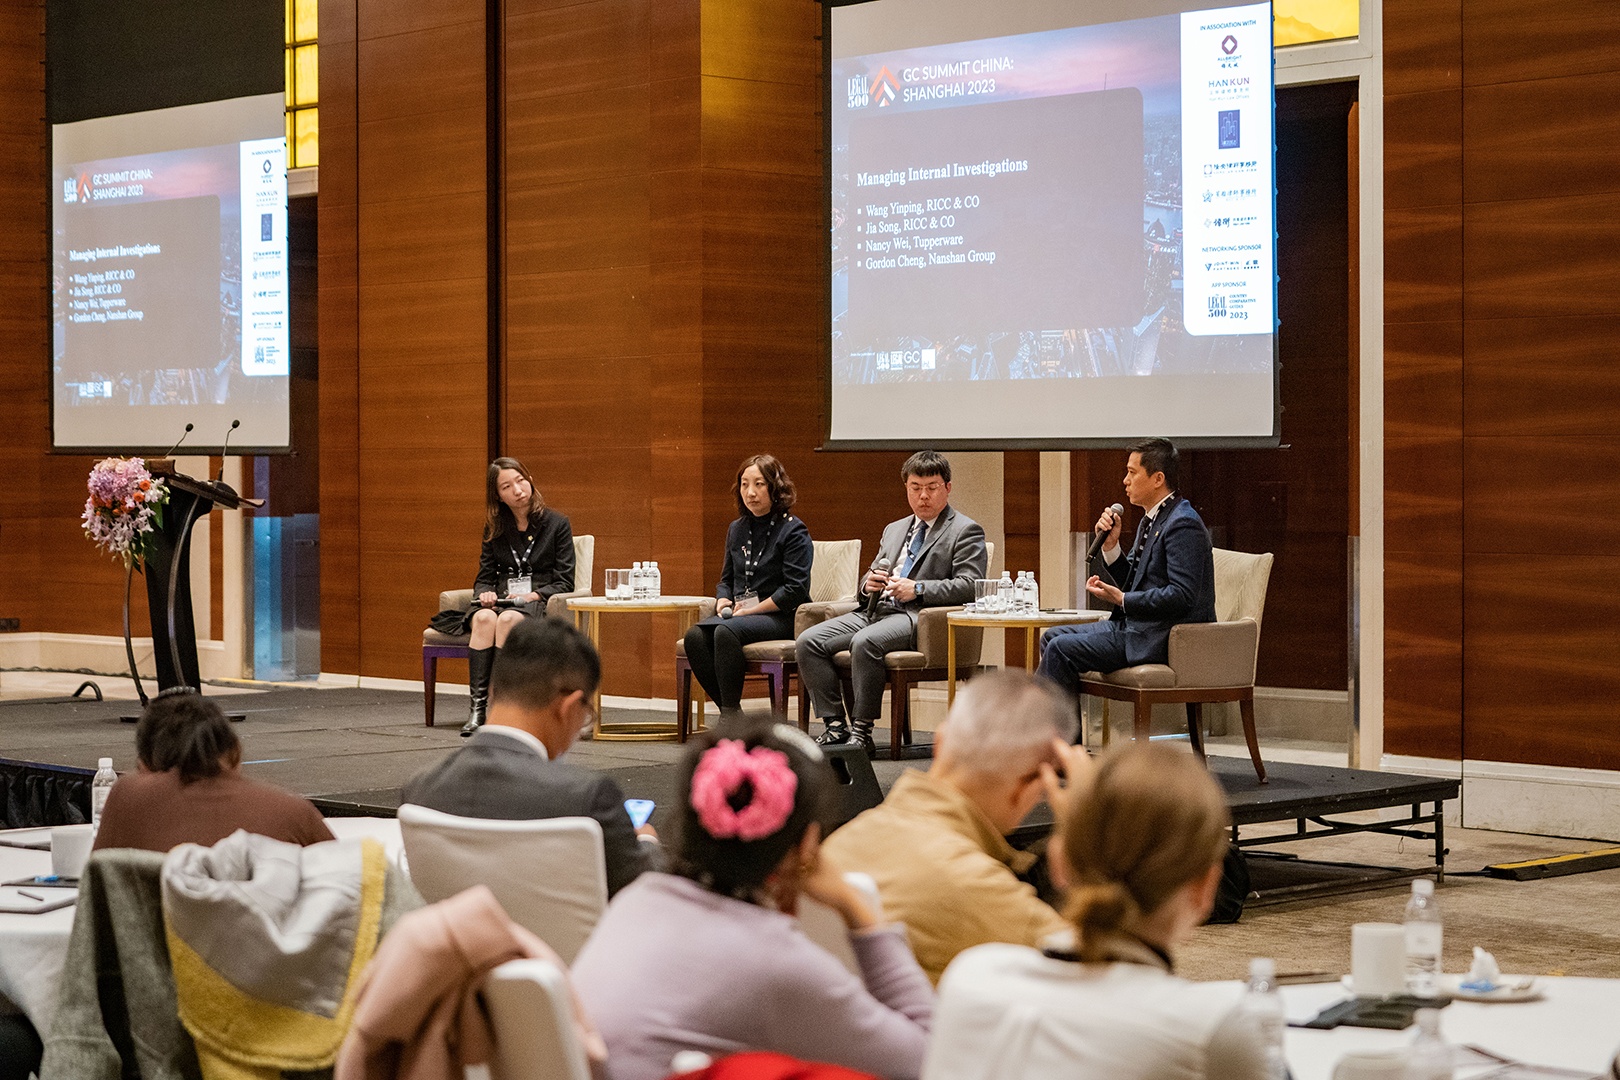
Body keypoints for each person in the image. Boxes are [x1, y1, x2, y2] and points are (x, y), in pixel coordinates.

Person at [570, 723, 935, 1080]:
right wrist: (860, 913)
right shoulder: (775, 961)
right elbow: (929, 1058)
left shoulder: (635, 901)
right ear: (808, 843)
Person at [921, 743, 1268, 1080]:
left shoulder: (972, 976)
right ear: (1206, 888)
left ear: (1058, 863)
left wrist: (1084, 823)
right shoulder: (1209, 1030)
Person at [820, 670, 1087, 983]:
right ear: (1034, 788)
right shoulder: (984, 891)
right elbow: (1107, 977)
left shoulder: (835, 848)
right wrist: (1087, 834)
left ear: (939, 741)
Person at [402, 617, 658, 897]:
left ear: (493, 691)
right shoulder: (588, 798)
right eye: (586, 716)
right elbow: (646, 896)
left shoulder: (419, 789)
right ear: (569, 707)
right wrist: (647, 843)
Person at [795, 450, 987, 753]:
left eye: (932, 487)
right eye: (915, 488)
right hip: (875, 609)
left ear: (948, 488)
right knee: (809, 641)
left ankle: (862, 731)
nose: (923, 496)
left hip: (917, 616)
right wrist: (867, 584)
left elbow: (970, 586)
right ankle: (835, 726)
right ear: (906, 488)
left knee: (865, 642)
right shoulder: (895, 528)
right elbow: (874, 571)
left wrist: (918, 588)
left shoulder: (965, 530)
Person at [1039, 437, 1215, 699]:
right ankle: (1062, 725)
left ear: (1158, 478)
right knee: (1051, 637)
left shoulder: (1183, 523)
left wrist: (1123, 599)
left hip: (1161, 636)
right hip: (1136, 627)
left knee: (1060, 648)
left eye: (1132, 473)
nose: (1125, 480)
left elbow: (1182, 595)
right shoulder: (1152, 519)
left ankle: (1048, 725)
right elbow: (1134, 580)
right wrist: (1111, 547)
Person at [91, 691, 334, 853]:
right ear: (235, 751)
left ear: (143, 764)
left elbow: (98, 894)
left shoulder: (127, 797)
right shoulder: (292, 812)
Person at [683, 455, 813, 718]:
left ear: (775, 488)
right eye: (744, 484)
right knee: (694, 637)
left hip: (782, 615)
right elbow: (726, 579)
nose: (750, 492)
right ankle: (731, 713)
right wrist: (723, 600)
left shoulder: (793, 531)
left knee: (725, 632)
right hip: (741, 615)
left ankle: (729, 717)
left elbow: (795, 589)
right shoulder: (737, 528)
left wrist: (752, 611)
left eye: (759, 484)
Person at [461, 456, 576, 737]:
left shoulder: (557, 523)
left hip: (537, 602)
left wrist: (534, 594)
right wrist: (485, 594)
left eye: (521, 480)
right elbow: (484, 576)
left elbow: (565, 581)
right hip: (503, 599)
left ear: (530, 481)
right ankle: (477, 709)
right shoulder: (495, 528)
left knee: (508, 619)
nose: (517, 490)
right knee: (484, 619)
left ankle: (502, 709)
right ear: (498, 496)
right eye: (507, 486)